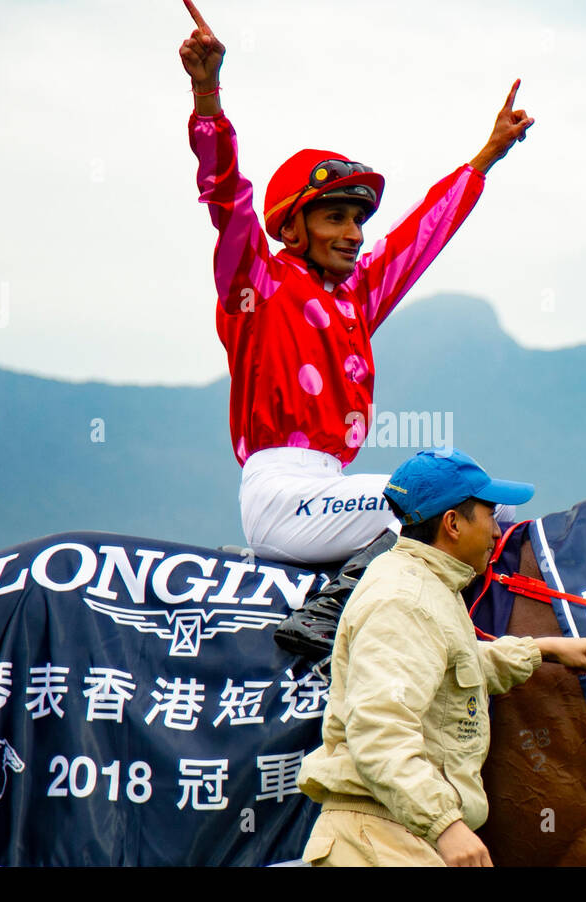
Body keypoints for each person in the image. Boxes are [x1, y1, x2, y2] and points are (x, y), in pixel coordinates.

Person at [179, 0, 534, 565]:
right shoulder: (257, 282)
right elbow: (227, 197)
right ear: (292, 227)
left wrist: (486, 158)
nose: (353, 234)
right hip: (281, 495)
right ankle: (324, 627)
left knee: (490, 513)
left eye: (358, 221)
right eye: (335, 218)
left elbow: (420, 237)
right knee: (422, 499)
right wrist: (207, 98)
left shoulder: (354, 299)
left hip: (332, 489)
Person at [296, 448, 586, 866]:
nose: (498, 531)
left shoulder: (426, 586)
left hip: (398, 834)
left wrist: (543, 649)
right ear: (453, 523)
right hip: (380, 842)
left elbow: (453, 666)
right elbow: (379, 732)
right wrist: (447, 825)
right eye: (490, 514)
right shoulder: (405, 600)